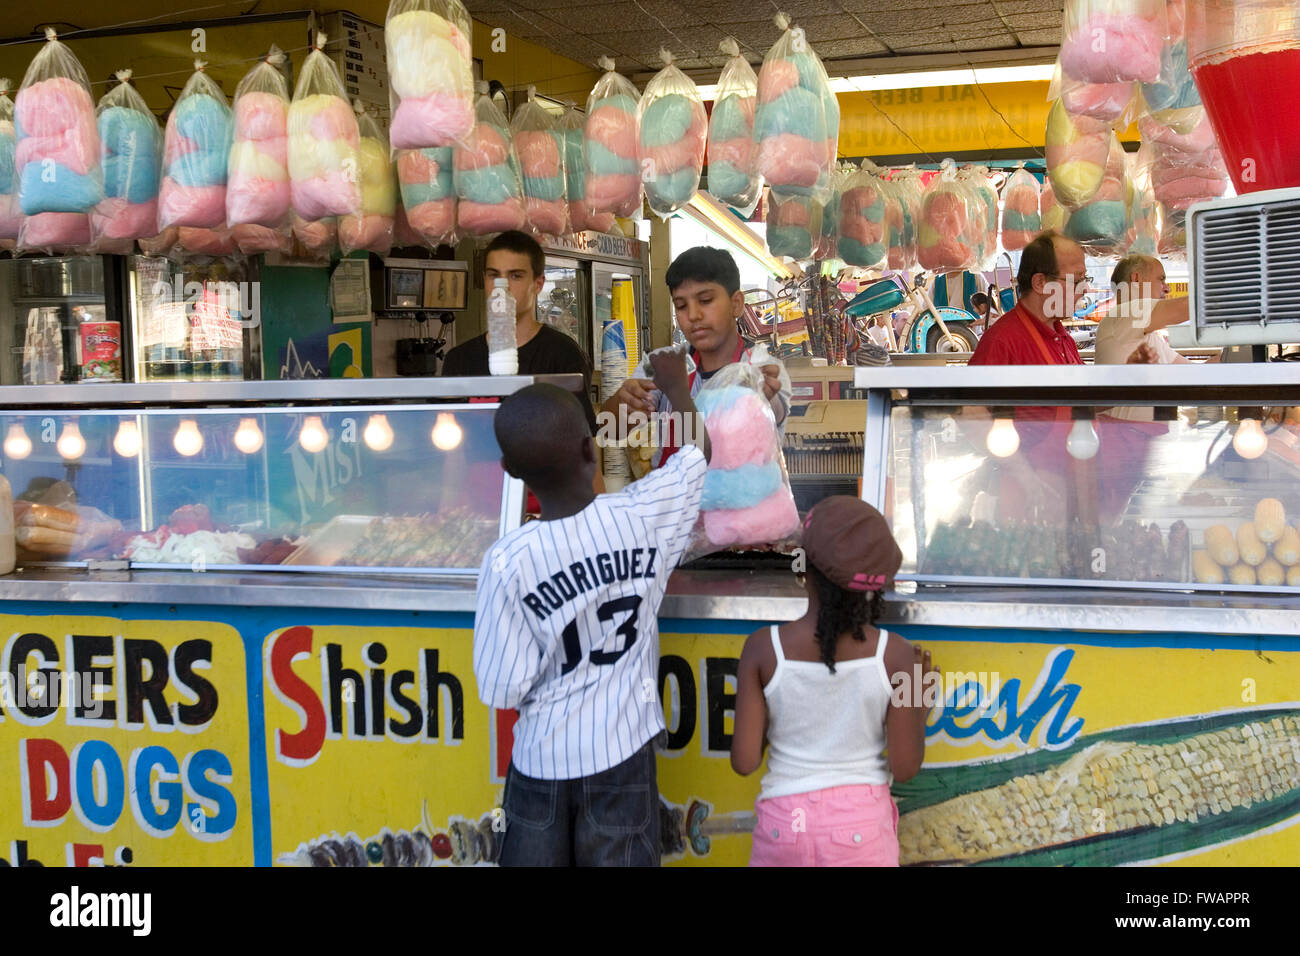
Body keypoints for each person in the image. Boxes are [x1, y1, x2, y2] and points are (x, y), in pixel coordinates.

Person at [472, 350, 711, 867]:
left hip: (539, 763)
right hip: (622, 758)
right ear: (590, 446)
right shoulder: (642, 515)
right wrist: (676, 386)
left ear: (509, 471)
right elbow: (698, 451)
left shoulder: (508, 561)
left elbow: (501, 687)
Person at [731, 496, 936, 867]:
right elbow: (905, 767)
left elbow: (745, 761)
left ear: (804, 569)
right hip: (860, 832)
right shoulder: (898, 656)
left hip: (786, 828)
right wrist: (920, 703)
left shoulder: (763, 649)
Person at [602, 246, 791, 469]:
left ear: (736, 304)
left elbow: (777, 413)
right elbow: (610, 429)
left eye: (705, 300)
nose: (693, 315)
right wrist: (624, 403)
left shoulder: (761, 367)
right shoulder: (663, 364)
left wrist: (765, 399)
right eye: (681, 306)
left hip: (741, 502)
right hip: (673, 501)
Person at [441, 230, 599, 436]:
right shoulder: (459, 359)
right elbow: (448, 436)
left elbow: (581, 440)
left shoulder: (562, 355)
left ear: (538, 284)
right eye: (494, 275)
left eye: (515, 276)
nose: (502, 286)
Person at [969, 232, 1088, 366]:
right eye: (1077, 280)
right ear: (1040, 283)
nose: (1085, 289)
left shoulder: (1064, 338)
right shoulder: (1000, 344)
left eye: (1085, 279)